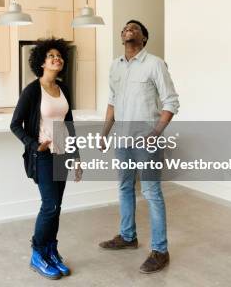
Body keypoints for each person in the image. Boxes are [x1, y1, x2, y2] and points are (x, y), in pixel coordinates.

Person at [98, 20, 179, 274]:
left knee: (152, 192)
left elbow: (171, 102)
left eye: (134, 27)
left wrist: (156, 133)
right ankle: (127, 236)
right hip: (122, 139)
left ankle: (160, 250)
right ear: (122, 36)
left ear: (144, 37)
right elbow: (112, 102)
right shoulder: (115, 66)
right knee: (124, 188)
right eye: (125, 27)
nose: (128, 29)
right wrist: (104, 134)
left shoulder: (155, 64)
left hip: (147, 140)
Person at [10, 37, 83, 280]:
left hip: (62, 153)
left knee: (56, 207)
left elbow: (68, 124)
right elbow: (15, 124)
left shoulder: (63, 89)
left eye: (59, 56)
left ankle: (51, 250)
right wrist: (34, 145)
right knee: (49, 206)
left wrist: (76, 156)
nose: (57, 59)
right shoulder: (32, 90)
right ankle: (37, 253)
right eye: (51, 56)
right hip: (42, 156)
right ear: (42, 62)